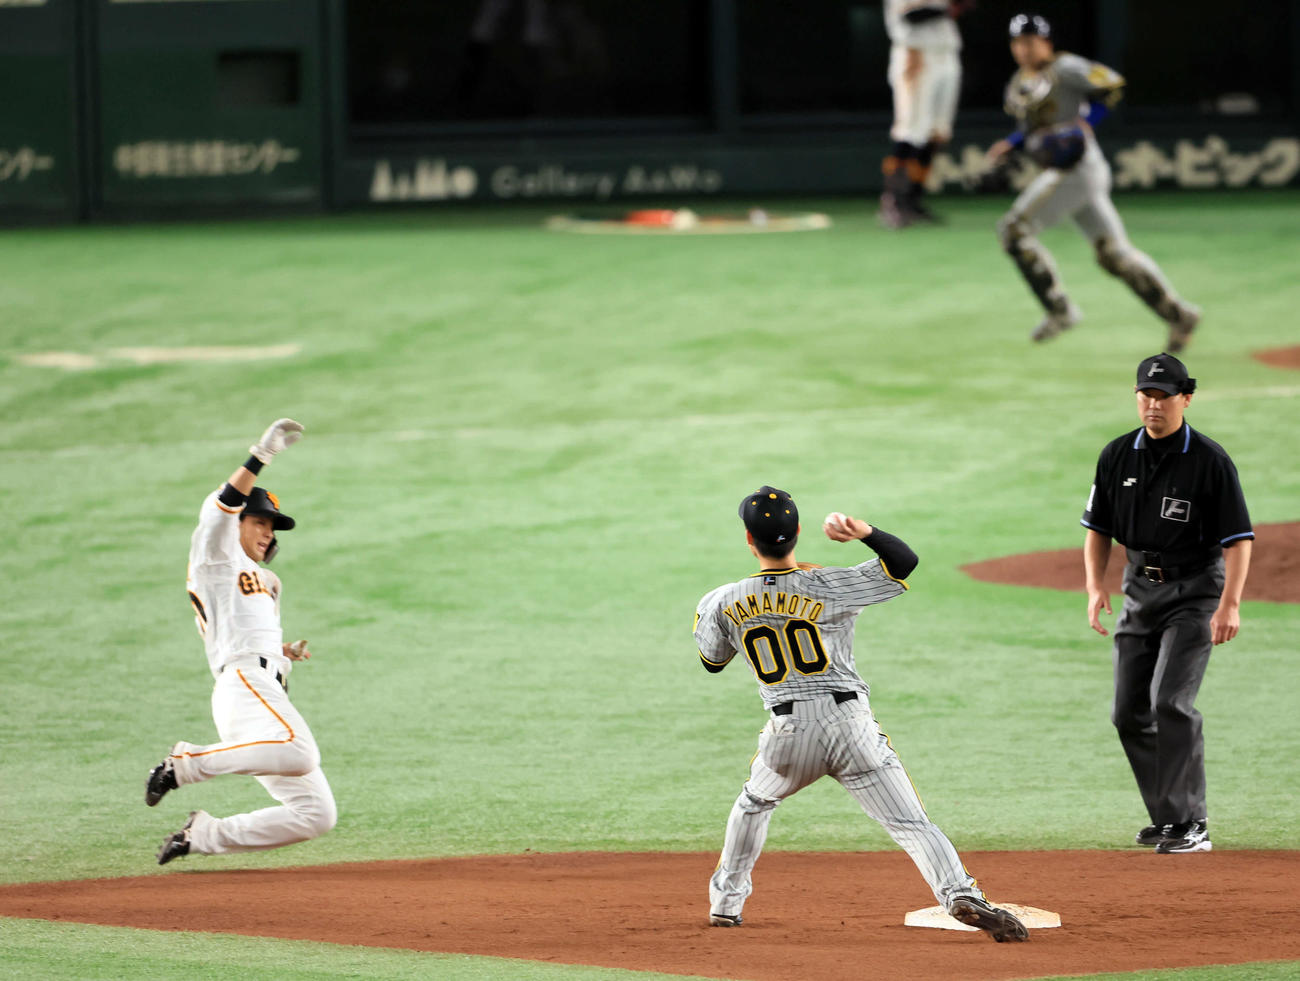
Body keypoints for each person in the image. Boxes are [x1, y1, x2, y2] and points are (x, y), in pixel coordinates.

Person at [693, 487, 1028, 942]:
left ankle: (726, 905)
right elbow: (902, 562)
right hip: (850, 726)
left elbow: (712, 662)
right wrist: (864, 532)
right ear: (796, 533)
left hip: (787, 735)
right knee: (910, 824)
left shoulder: (722, 600)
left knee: (754, 803)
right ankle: (958, 894)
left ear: (749, 540)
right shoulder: (829, 584)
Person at [1081, 355, 1253, 854]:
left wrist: (1230, 604)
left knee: (1170, 702)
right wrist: (1095, 586)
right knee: (1127, 712)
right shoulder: (1117, 455)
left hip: (1195, 592)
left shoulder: (1209, 460)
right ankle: (1169, 817)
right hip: (1140, 590)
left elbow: (1238, 540)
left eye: (1164, 396)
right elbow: (1098, 529)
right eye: (1145, 395)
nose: (1153, 405)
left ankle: (1191, 822)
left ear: (1186, 398)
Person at [146, 418, 337, 865]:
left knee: (316, 814)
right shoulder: (214, 557)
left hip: (260, 694)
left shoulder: (266, 579)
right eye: (260, 521)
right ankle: (185, 765)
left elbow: (242, 625)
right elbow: (220, 506)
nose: (269, 532)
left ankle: (205, 835)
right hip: (243, 684)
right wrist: (262, 455)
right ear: (237, 524)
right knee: (301, 751)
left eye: (273, 526)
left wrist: (283, 652)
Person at [984, 13, 1200, 350]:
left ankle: (1060, 310)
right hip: (1066, 173)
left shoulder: (1066, 67)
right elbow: (1031, 130)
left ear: (1046, 42)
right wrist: (1010, 145)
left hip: (1078, 169)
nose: (1024, 49)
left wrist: (1086, 122)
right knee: (1115, 256)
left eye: (1030, 41)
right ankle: (1179, 314)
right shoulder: (1019, 83)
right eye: (1018, 42)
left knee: (1013, 231)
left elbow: (1112, 84)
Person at [879, 0, 971, 227]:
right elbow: (911, 15)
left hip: (946, 53)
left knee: (936, 132)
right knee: (911, 130)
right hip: (916, 54)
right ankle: (893, 200)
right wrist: (948, 8)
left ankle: (913, 199)